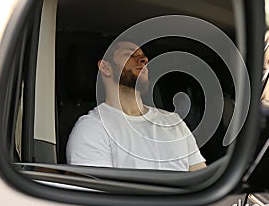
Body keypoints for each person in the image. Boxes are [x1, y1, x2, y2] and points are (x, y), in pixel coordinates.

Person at [66, 41, 206, 171]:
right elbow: (97, 193)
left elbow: (201, 179)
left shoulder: (174, 122)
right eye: (129, 55)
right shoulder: (92, 127)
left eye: (143, 56)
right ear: (105, 68)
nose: (144, 60)